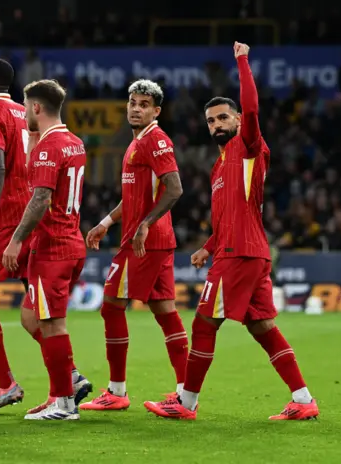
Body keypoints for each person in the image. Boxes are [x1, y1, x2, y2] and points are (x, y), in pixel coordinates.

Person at [145, 42, 319, 421]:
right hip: (243, 251)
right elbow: (228, 216)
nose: (217, 125)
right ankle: (304, 399)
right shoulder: (219, 166)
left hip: (241, 254)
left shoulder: (250, 146)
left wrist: (242, 62)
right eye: (210, 121)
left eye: (223, 117)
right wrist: (208, 246)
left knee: (204, 321)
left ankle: (186, 402)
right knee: (263, 327)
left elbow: (253, 107)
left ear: (238, 119)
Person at [0, 58, 91, 415]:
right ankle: (69, 377)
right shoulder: (23, 114)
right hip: (34, 219)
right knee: (36, 313)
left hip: (8, 225)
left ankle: (8, 383)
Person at [80, 79, 188, 412]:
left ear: (156, 110)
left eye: (144, 104)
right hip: (151, 239)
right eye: (132, 102)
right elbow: (133, 198)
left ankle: (116, 391)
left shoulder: (156, 140)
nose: (136, 108)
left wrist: (144, 224)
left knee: (111, 307)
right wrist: (105, 222)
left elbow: (174, 189)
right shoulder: (137, 142)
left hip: (144, 242)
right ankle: (186, 393)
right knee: (165, 312)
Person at [2, 79, 86, 421]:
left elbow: (40, 198)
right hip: (71, 240)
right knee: (31, 317)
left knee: (53, 325)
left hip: (53, 247)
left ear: (36, 107)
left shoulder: (50, 148)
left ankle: (65, 403)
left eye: (25, 106)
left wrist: (16, 239)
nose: (23, 113)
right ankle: (68, 385)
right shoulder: (73, 142)